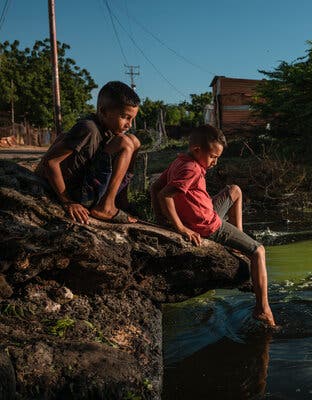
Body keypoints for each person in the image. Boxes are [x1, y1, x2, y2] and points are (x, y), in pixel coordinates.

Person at [151, 125, 276, 327]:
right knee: (259, 251)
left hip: (205, 212)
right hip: (207, 225)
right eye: (212, 157)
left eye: (217, 158)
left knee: (234, 190)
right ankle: (263, 308)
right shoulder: (191, 169)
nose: (215, 162)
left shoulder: (180, 161)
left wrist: (162, 221)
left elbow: (155, 187)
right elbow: (165, 194)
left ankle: (237, 239)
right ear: (197, 150)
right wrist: (180, 228)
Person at [36, 81, 141, 224]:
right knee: (125, 143)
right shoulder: (88, 128)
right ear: (103, 112)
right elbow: (50, 161)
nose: (129, 124)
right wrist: (68, 201)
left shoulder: (107, 129)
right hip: (76, 192)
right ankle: (105, 207)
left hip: (88, 186)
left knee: (134, 141)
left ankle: (120, 200)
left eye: (132, 119)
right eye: (125, 117)